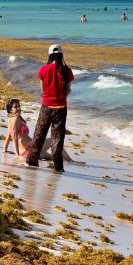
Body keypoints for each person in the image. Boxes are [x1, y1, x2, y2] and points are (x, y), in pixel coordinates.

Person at [27, 44, 74, 172]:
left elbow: (43, 91)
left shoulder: (43, 70)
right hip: (61, 108)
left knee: (39, 136)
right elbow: (68, 90)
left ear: (50, 55)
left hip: (46, 107)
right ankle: (58, 167)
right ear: (61, 55)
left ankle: (32, 162)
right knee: (57, 139)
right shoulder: (67, 71)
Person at [3, 98, 76, 162]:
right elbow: (14, 137)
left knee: (51, 157)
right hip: (30, 149)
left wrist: (4, 150)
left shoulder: (11, 119)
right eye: (15, 107)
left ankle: (68, 161)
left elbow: (8, 136)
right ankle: (71, 161)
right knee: (53, 140)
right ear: (10, 110)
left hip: (28, 151)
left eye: (19, 106)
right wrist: (17, 154)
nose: (18, 108)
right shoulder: (15, 119)